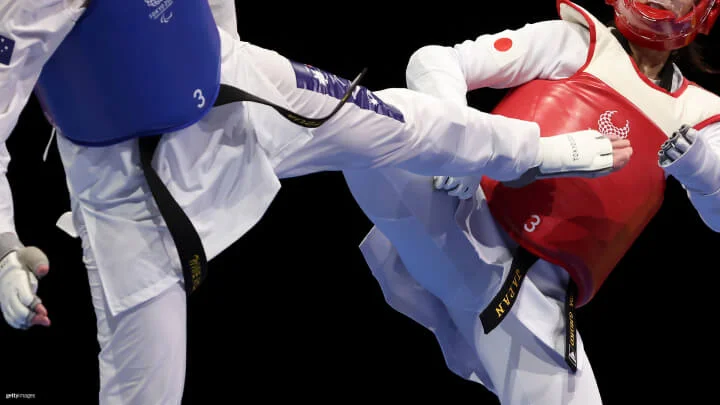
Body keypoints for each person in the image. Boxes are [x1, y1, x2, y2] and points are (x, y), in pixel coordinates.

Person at [0, 0, 631, 404]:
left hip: (237, 87)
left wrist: (222, 54)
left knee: (401, 121)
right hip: (130, 190)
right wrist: (4, 247)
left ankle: (530, 150)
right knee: (147, 394)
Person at [342, 0, 720, 403]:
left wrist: (699, 165)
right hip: (461, 221)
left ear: (703, 10)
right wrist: (461, 143)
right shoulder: (574, 42)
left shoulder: (699, 113)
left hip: (538, 303)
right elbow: (435, 61)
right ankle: (275, 100)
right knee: (376, 116)